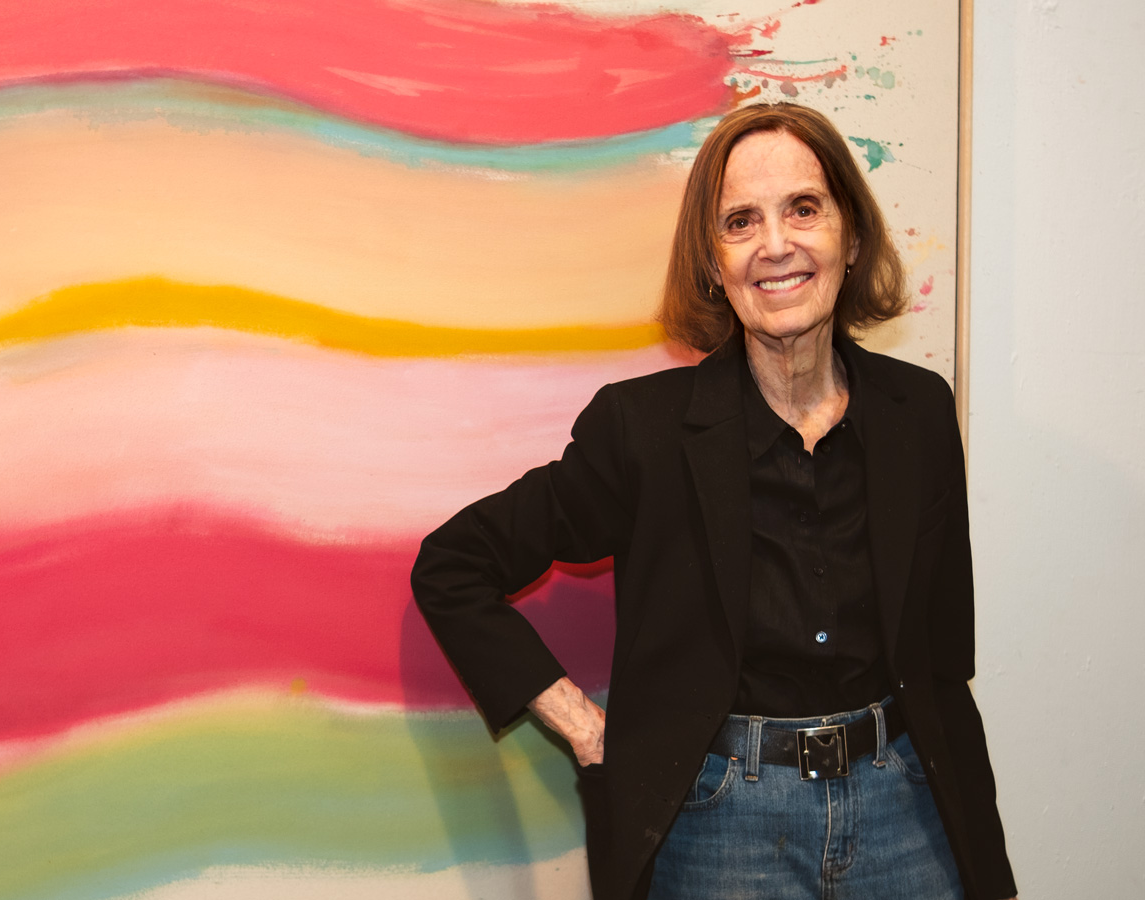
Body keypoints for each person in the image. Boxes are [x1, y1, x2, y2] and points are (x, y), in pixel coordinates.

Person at [411, 102, 1017, 900]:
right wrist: (586, 729)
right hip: (721, 828)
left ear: (852, 235)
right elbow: (453, 565)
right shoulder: (642, 433)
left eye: (804, 208)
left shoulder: (921, 414)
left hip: (907, 813)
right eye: (740, 221)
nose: (776, 245)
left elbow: (943, 659)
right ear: (712, 263)